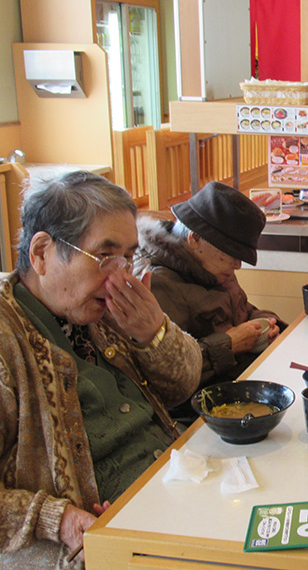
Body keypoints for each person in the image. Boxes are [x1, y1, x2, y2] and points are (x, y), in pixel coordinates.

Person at [0, 171, 202, 568]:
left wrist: (154, 334)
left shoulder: (105, 308)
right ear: (41, 253)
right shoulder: (7, 340)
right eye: (104, 256)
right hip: (95, 551)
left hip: (176, 495)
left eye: (128, 256)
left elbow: (185, 384)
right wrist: (59, 520)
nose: (121, 275)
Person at [135, 181, 286, 390]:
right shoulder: (158, 282)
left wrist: (265, 323)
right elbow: (166, 374)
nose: (238, 265)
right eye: (233, 253)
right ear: (195, 237)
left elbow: (241, 309)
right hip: (206, 401)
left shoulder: (214, 267)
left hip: (246, 374)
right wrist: (229, 345)